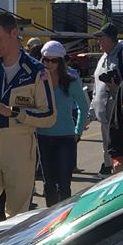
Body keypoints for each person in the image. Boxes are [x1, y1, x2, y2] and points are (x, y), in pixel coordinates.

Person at [0, 13, 53, 227]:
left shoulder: (36, 71)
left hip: (20, 149)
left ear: (14, 33)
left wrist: (14, 112)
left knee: (17, 217)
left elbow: (49, 116)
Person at [35, 40, 88, 202]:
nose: (49, 64)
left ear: (61, 62)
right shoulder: (38, 80)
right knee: (48, 183)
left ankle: (66, 215)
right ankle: (51, 215)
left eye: (54, 60)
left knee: (64, 184)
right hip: (43, 136)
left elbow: (83, 106)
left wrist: (78, 131)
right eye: (46, 60)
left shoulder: (71, 81)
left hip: (65, 137)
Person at [89, 23, 123, 143]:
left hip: (119, 121)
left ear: (110, 39)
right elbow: (96, 89)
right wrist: (91, 113)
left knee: (119, 152)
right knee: (108, 151)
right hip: (105, 120)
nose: (98, 41)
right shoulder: (103, 58)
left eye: (101, 38)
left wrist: (116, 88)